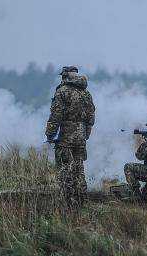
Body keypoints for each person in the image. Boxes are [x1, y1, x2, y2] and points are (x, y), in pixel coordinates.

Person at [45, 66, 95, 210]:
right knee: (79, 170)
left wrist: (50, 134)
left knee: (65, 170)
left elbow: (56, 116)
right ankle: (81, 201)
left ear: (65, 76)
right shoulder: (86, 93)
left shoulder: (62, 91)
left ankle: (67, 204)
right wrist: (85, 134)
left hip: (66, 137)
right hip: (81, 138)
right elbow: (91, 116)